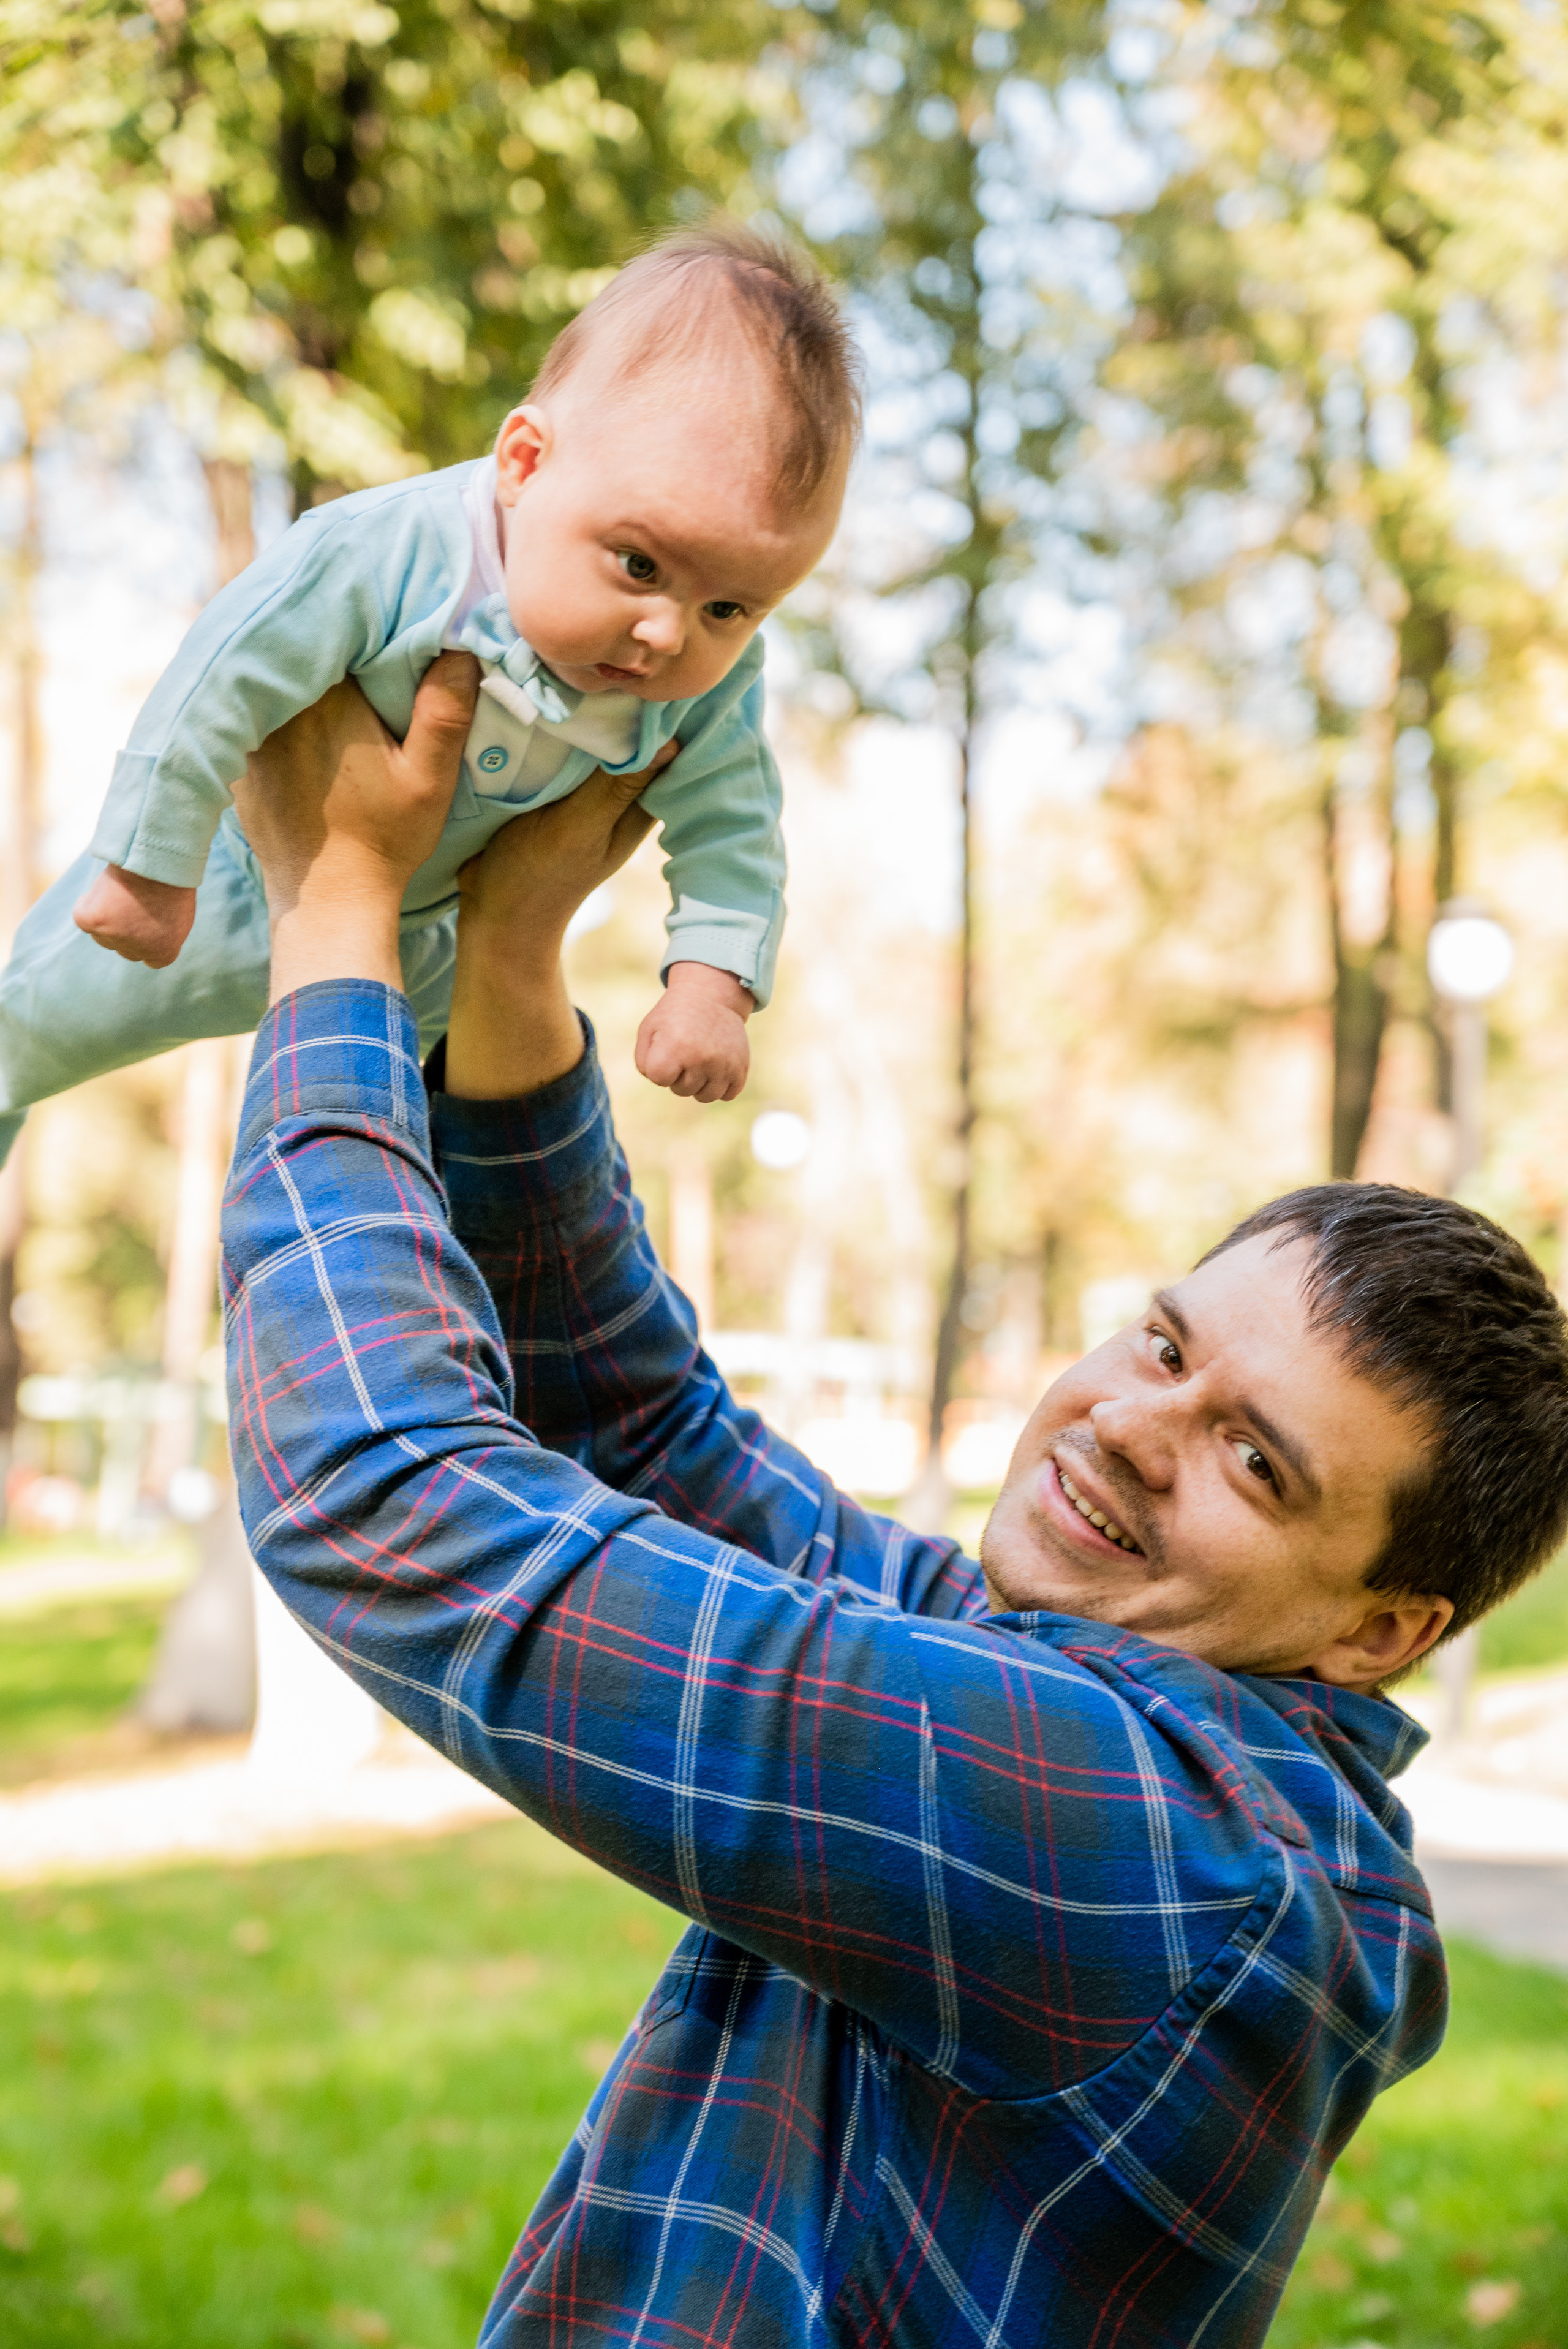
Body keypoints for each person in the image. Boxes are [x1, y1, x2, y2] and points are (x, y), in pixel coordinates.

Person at [222, 657, 1568, 2349]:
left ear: (1381, 1629)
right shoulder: (1072, 1680)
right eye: (1163, 1343)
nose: (1137, 1427)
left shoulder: (1157, 1843)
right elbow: (643, 1423)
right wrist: (508, 957)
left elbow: (389, 1503)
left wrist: (334, 911)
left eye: (1255, 1458)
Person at [0, 223, 859, 1173]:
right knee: (26, 1035)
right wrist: (149, 860)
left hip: (429, 960)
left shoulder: (715, 679)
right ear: (526, 465)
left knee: (387, 1157)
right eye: (640, 563)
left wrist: (712, 988)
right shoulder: (391, 552)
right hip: (233, 882)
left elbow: (736, 829)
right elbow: (222, 674)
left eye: (730, 605)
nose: (668, 633)